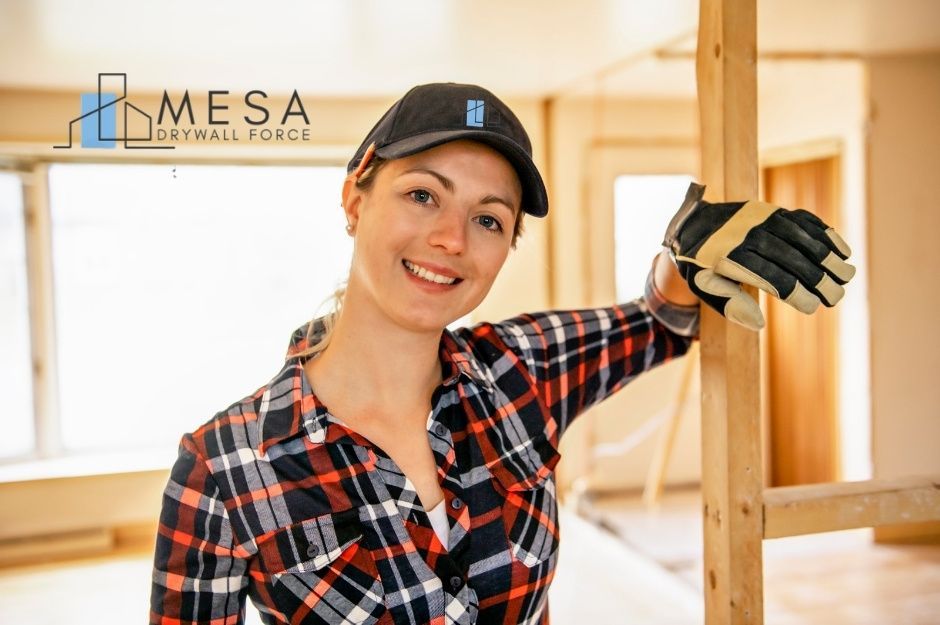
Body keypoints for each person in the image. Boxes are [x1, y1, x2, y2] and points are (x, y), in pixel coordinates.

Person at [149, 82, 854, 625]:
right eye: (423, 194)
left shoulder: (520, 370)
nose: (452, 239)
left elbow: (658, 323)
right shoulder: (224, 466)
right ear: (354, 198)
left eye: (488, 218)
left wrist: (682, 260)